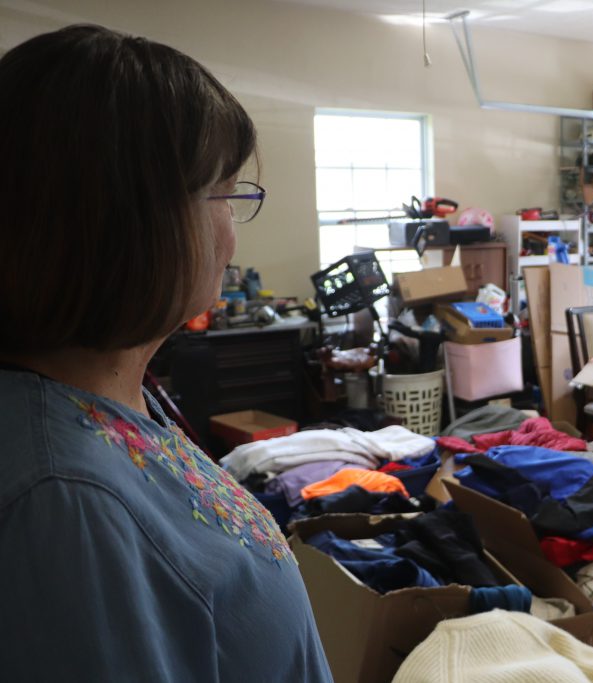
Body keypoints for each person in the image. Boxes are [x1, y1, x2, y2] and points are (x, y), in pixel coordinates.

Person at [0, 25, 333, 681]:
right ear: (130, 216)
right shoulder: (65, 505)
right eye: (225, 191)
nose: (233, 233)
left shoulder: (120, 396)